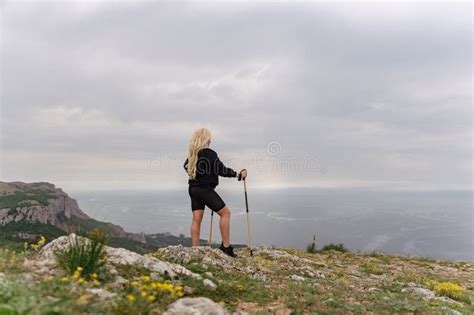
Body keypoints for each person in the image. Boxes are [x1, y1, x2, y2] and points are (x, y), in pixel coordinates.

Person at [183, 128, 247, 257]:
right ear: (205, 139)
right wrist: (238, 174)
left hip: (193, 189)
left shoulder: (193, 155)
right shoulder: (209, 153)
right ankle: (226, 247)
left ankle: (195, 250)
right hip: (205, 190)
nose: (211, 140)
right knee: (225, 213)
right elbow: (221, 170)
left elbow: (185, 166)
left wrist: (200, 175)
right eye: (209, 138)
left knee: (196, 219)